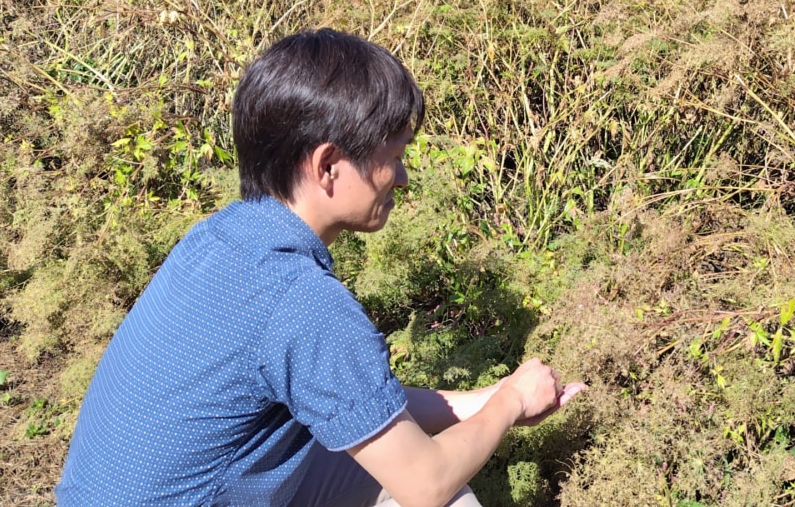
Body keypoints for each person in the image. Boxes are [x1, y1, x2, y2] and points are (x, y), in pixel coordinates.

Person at [57, 29, 584, 507]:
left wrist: (479, 402)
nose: (402, 178)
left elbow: (348, 398)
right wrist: (510, 402)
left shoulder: (219, 238)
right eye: (394, 157)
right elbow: (426, 485)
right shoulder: (302, 301)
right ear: (328, 165)